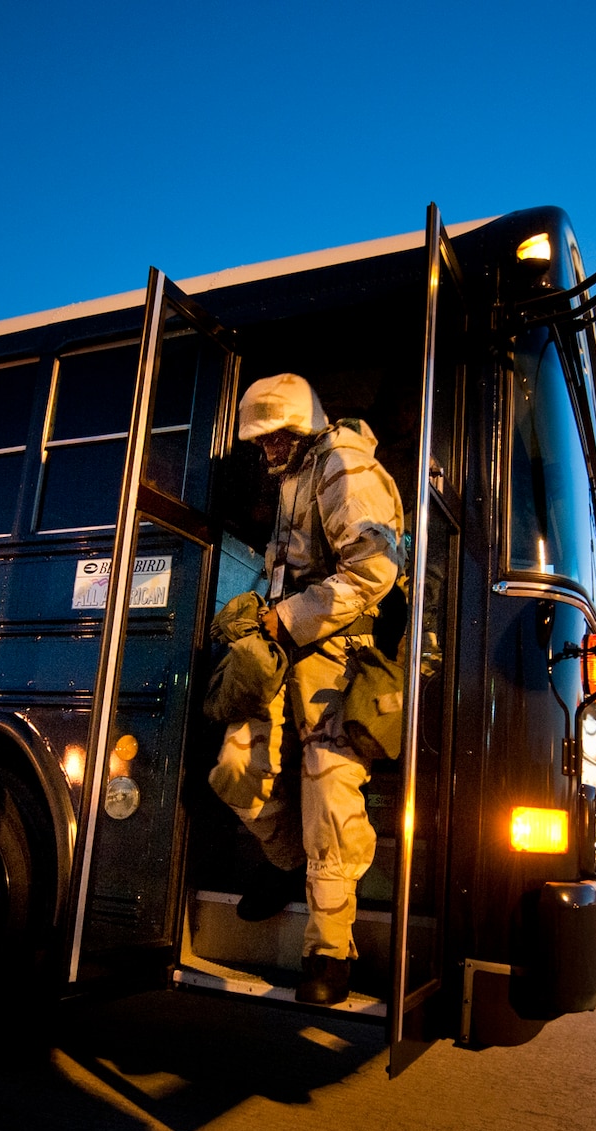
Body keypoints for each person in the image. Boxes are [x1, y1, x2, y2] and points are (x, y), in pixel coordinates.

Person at [206, 373, 404, 1007]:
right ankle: (288, 861)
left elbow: (374, 569)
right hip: (283, 646)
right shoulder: (297, 474)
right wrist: (261, 612)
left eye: (277, 438)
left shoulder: (343, 466)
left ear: (305, 427)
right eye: (260, 442)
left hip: (335, 654)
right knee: (238, 768)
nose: (266, 451)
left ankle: (329, 948)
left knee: (330, 793)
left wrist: (284, 620)